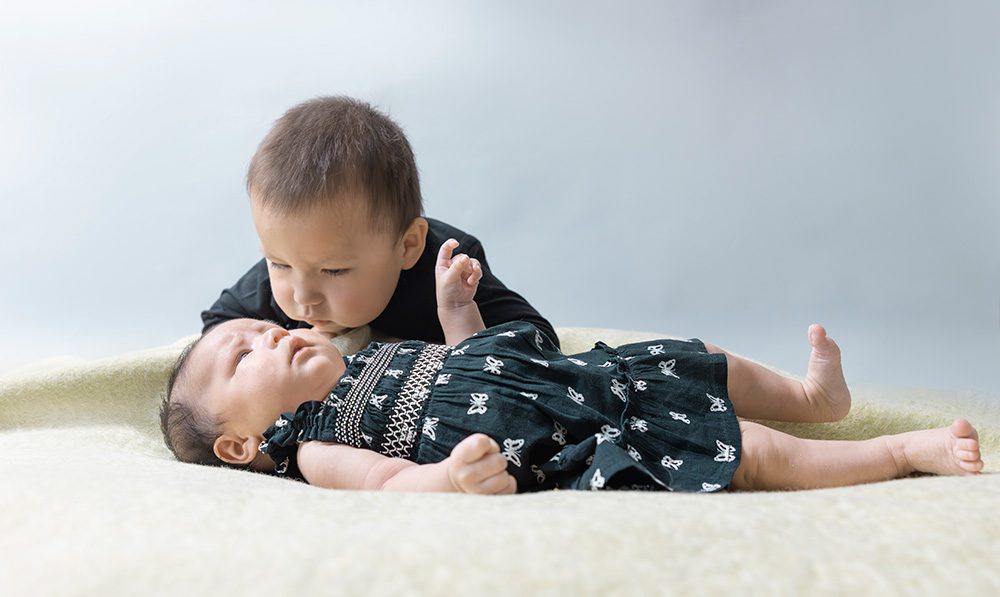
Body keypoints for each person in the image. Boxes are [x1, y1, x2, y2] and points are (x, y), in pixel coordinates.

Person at [163, 240, 985, 494]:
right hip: (573, 435)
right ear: (240, 442)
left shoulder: (368, 350)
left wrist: (456, 306)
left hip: (588, 374)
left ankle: (812, 395)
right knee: (746, 452)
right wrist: (447, 479)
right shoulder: (314, 442)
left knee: (694, 360)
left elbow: (467, 357)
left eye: (260, 331)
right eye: (243, 354)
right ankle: (903, 452)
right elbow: (381, 484)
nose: (269, 335)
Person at [201, 95, 558, 348]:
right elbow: (219, 330)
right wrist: (277, 349)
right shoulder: (295, 266)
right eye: (279, 263)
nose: (302, 296)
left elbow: (540, 338)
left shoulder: (448, 271)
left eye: (334, 270)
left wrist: (453, 329)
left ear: (407, 246)